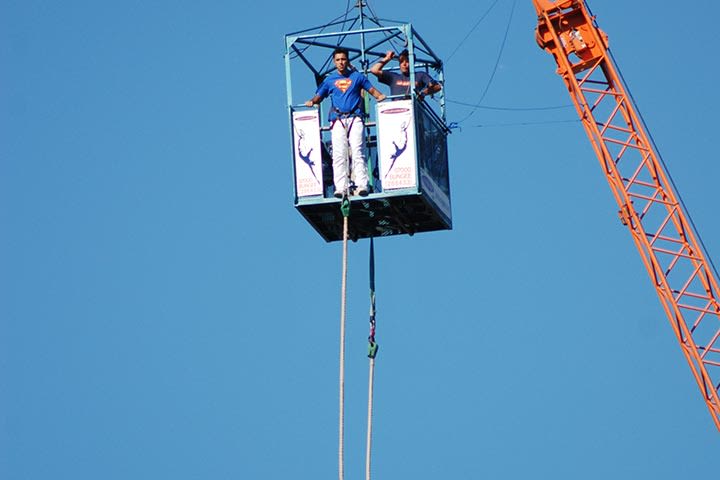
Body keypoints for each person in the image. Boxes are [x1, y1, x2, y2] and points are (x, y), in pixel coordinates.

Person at [305, 48, 386, 197]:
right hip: (337, 119)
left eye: (343, 59)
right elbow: (319, 96)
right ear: (334, 62)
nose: (341, 63)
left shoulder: (357, 77)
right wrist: (311, 102)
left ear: (347, 60)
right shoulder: (329, 80)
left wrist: (381, 97)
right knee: (339, 154)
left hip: (355, 117)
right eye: (338, 60)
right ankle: (341, 187)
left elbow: (373, 91)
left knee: (357, 150)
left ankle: (362, 184)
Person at [370, 49, 442, 99]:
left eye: (407, 61)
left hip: (413, 109)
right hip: (397, 110)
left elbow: (437, 87)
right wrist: (387, 58)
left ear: (412, 63)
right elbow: (374, 70)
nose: (404, 64)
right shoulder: (393, 77)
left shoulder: (420, 75)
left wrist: (423, 93)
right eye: (401, 61)